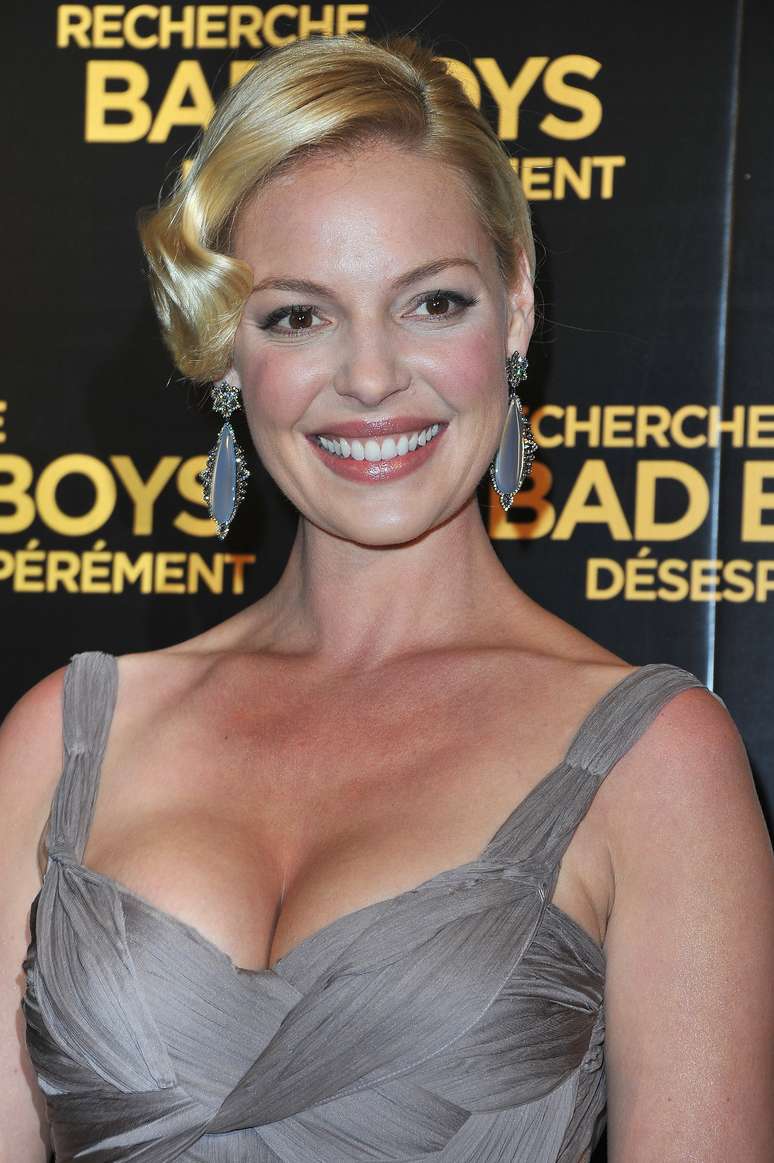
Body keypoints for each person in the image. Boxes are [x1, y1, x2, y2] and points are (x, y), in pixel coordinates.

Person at [2, 31, 772, 1163]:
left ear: (515, 307)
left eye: (432, 303)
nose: (370, 378)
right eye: (298, 315)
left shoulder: (656, 763)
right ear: (226, 350)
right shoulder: (66, 738)